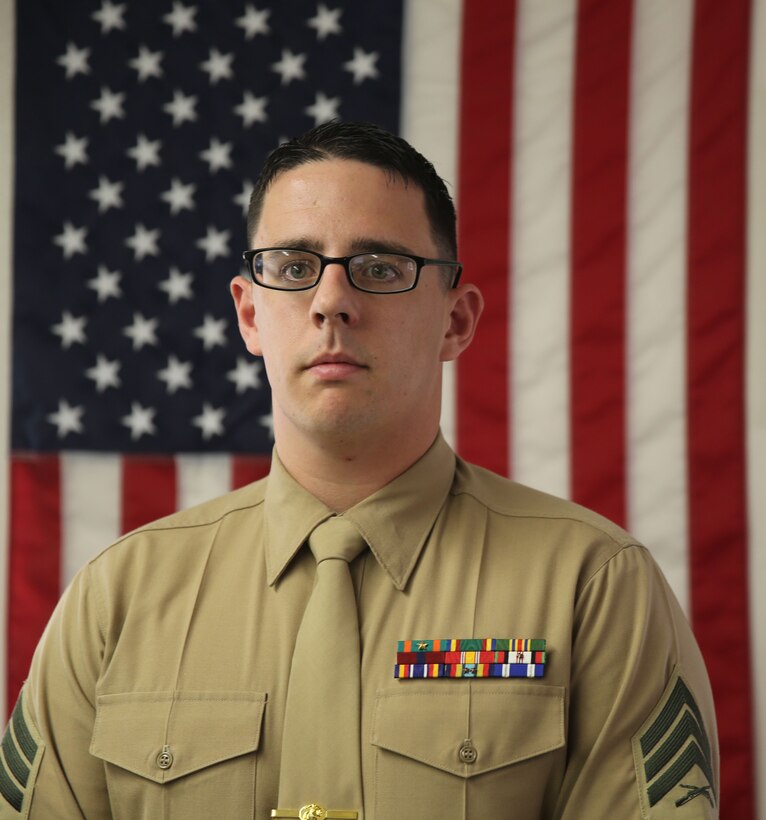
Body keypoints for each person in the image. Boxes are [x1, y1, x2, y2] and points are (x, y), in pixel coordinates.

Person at [1, 121, 718, 820]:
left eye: (380, 268)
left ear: (456, 321)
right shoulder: (117, 601)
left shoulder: (590, 585)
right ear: (249, 315)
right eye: (293, 267)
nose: (332, 302)